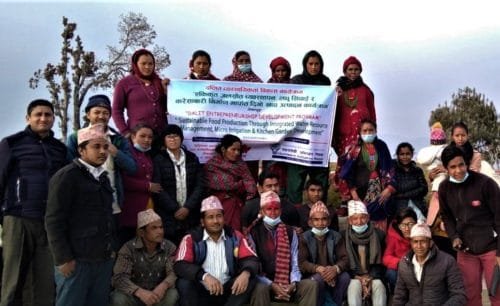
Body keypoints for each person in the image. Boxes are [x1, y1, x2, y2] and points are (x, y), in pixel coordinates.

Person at [0, 99, 67, 306]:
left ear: (53, 119)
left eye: (47, 115)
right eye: (38, 114)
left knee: (44, 281)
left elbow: (64, 185)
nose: (43, 118)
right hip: (18, 217)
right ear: (28, 118)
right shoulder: (11, 143)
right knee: (14, 279)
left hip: (49, 221)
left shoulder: (59, 149)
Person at [46, 124, 115, 306]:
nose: (102, 151)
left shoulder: (103, 177)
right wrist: (63, 259)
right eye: (96, 147)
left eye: (105, 147)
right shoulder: (66, 177)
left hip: (101, 260)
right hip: (75, 261)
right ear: (81, 150)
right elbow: (53, 221)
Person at [66, 94, 136, 249]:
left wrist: (114, 151)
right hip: (84, 204)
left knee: (113, 247)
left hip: (113, 203)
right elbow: (68, 168)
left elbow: (132, 167)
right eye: (97, 112)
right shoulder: (75, 138)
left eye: (105, 113)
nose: (101, 116)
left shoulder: (118, 139)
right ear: (88, 114)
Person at [438, 145, 500, 306]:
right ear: (446, 168)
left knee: (497, 293)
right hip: (465, 250)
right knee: (470, 295)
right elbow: (446, 216)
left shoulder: (485, 184)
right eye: (452, 167)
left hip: (492, 248)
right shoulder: (444, 188)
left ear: (466, 163)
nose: (458, 170)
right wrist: (454, 237)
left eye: (461, 165)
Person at [174, 195, 259, 306]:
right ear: (202, 222)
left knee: (250, 279)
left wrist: (246, 273)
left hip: (228, 290)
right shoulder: (191, 238)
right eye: (210, 217)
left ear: (224, 219)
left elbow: (251, 259)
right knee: (184, 283)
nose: (215, 221)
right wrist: (204, 276)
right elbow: (180, 265)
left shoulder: (234, 236)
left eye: (219, 216)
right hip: (201, 291)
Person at [248, 191, 318, 306]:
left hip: (288, 283)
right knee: (260, 288)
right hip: (265, 283)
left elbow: (295, 262)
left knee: (311, 285)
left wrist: (293, 283)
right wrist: (272, 285)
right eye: (269, 209)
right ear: (262, 212)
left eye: (276, 209)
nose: (273, 213)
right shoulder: (254, 232)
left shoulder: (290, 232)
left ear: (280, 211)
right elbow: (254, 266)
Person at [287, 50, 331, 205]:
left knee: (320, 182)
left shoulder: (326, 82)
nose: (314, 67)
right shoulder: (296, 81)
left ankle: (320, 214)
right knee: (295, 183)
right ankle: (294, 218)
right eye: (310, 64)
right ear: (305, 65)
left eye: (317, 64)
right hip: (298, 142)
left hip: (318, 142)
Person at [110, 209, 178, 306]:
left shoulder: (169, 247)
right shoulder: (128, 248)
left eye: (161, 227)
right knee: (118, 297)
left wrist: (164, 285)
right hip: (134, 295)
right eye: (154, 228)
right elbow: (119, 278)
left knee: (172, 294)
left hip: (157, 295)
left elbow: (174, 272)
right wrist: (139, 292)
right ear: (141, 232)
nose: (160, 231)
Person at [338, 118, 395, 231]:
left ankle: (378, 246)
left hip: (380, 194)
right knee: (360, 223)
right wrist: (354, 193)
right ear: (360, 132)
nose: (368, 133)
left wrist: (389, 189)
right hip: (359, 194)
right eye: (365, 131)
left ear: (376, 131)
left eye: (371, 130)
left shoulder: (381, 146)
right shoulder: (354, 148)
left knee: (379, 227)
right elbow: (347, 172)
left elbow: (389, 168)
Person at [152, 124, 205, 244]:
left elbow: (200, 185)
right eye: (169, 137)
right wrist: (175, 209)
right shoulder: (158, 159)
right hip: (167, 215)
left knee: (190, 246)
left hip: (190, 214)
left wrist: (187, 207)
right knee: (169, 248)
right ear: (164, 140)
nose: (173, 139)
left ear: (181, 138)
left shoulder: (192, 158)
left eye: (176, 136)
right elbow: (157, 188)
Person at [392, 221, 466, 305]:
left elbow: (459, 295)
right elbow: (399, 297)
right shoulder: (404, 263)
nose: (419, 246)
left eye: (423, 241)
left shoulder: (447, 261)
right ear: (411, 243)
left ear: (430, 243)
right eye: (415, 242)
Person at [299, 202, 350, 306]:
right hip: (313, 275)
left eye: (324, 219)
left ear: (329, 221)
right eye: (316, 220)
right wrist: (318, 269)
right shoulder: (304, 237)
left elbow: (344, 259)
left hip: (332, 273)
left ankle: (337, 303)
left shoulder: (336, 236)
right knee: (318, 279)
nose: (320, 223)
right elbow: (302, 262)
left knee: (344, 277)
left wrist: (335, 269)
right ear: (310, 222)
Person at [118, 124, 163, 244]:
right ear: (133, 137)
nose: (147, 140)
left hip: (146, 208)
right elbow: (123, 180)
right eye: (142, 136)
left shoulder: (147, 155)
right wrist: (147, 186)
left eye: (150, 137)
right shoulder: (127, 153)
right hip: (130, 209)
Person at [205, 134, 257, 230]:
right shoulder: (212, 165)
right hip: (217, 206)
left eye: (239, 150)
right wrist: (240, 184)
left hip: (238, 207)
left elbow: (251, 186)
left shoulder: (241, 165)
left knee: (235, 235)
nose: (237, 153)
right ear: (224, 150)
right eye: (233, 149)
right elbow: (211, 184)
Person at [112, 48, 168, 138]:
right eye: (143, 63)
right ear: (136, 64)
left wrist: (166, 91)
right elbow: (116, 110)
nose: (147, 67)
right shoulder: (125, 83)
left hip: (161, 136)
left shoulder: (159, 82)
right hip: (137, 137)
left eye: (150, 64)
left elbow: (167, 108)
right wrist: (125, 132)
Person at [344, 200, 386, 306]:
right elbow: (344, 262)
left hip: (374, 275)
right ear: (350, 220)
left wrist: (370, 277)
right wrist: (359, 278)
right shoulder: (343, 237)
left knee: (378, 285)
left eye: (363, 217)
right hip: (354, 276)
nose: (359, 221)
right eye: (355, 218)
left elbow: (382, 262)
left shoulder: (379, 235)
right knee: (354, 285)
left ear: (367, 218)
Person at [332, 55, 375, 157]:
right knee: (345, 165)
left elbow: (372, 113)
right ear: (345, 71)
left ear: (360, 71)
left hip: (363, 134)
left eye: (356, 69)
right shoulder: (337, 91)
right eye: (350, 69)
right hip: (343, 135)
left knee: (361, 163)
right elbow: (334, 113)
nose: (353, 72)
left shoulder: (366, 91)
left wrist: (373, 131)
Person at [416, 122, 447, 225]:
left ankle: (430, 222)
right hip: (435, 183)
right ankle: (430, 223)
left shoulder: (425, 154)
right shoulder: (441, 152)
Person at [382, 207, 417, 293]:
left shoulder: (420, 234)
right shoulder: (393, 237)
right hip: (400, 268)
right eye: (403, 225)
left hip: (417, 268)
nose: (407, 228)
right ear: (398, 226)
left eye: (410, 224)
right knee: (391, 273)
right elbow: (386, 258)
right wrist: (401, 262)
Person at [391, 142, 428, 221]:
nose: (405, 157)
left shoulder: (417, 170)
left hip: (418, 205)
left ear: (412, 154)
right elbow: (394, 190)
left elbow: (424, 189)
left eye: (408, 154)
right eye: (402, 154)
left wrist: (403, 195)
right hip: (399, 207)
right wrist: (413, 192)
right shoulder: (393, 171)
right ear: (397, 155)